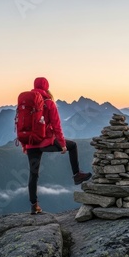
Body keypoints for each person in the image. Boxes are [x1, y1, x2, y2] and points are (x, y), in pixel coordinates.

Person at [24, 77, 92, 214]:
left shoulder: (27, 103)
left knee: (33, 174)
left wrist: (25, 145)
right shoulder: (49, 102)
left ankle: (34, 205)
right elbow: (56, 126)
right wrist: (62, 144)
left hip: (31, 143)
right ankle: (77, 174)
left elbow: (23, 126)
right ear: (46, 87)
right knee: (73, 146)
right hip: (46, 141)